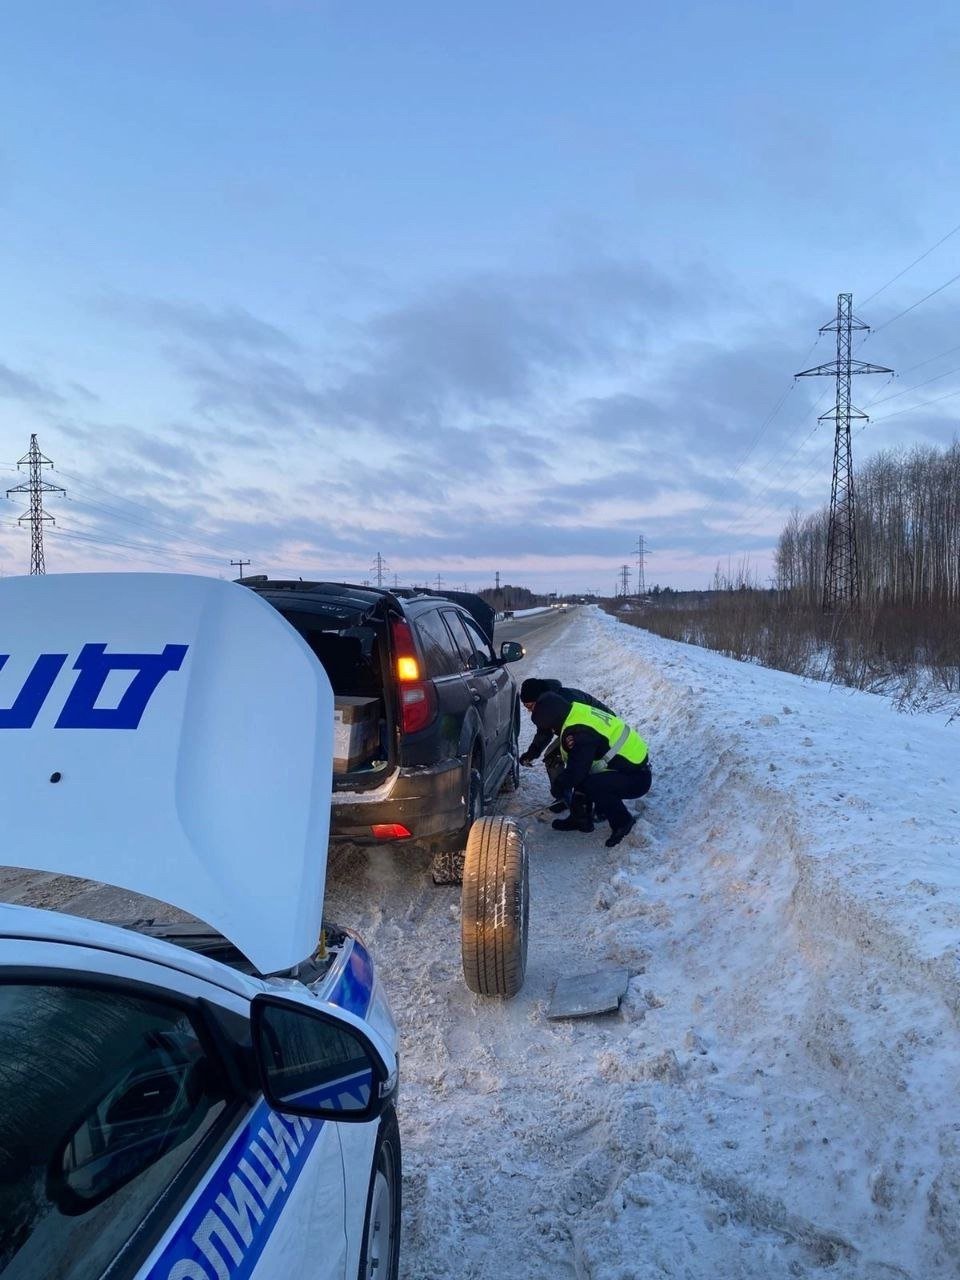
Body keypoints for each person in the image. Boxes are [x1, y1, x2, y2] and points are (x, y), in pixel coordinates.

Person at [530, 691, 651, 848]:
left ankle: (623, 822)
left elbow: (577, 771)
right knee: (585, 774)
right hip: (628, 767)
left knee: (591, 782)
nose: (552, 732)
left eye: (551, 728)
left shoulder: (581, 732)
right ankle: (580, 819)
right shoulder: (575, 711)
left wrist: (559, 786)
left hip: (636, 778)